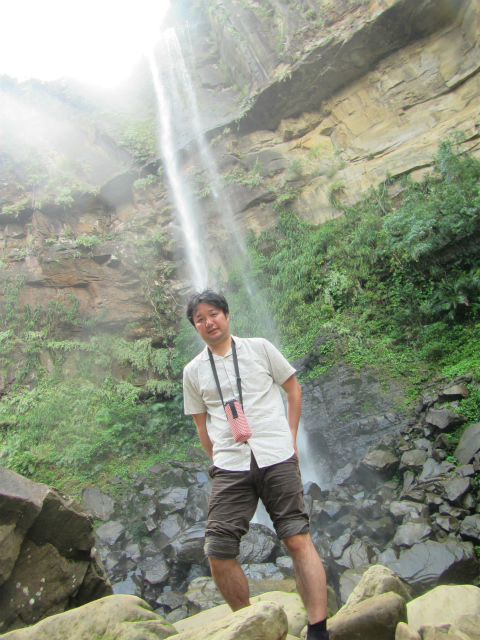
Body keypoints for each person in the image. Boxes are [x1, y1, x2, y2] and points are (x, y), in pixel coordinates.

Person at [182, 289, 329, 640]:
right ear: (195, 326)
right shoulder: (193, 371)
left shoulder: (260, 348)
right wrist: (218, 459)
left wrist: (290, 437)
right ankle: (253, 626)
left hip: (276, 455)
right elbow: (201, 426)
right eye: (200, 319)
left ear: (226, 315)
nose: (208, 322)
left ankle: (318, 629)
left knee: (297, 539)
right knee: (217, 551)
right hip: (230, 465)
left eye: (213, 314)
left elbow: (293, 389)